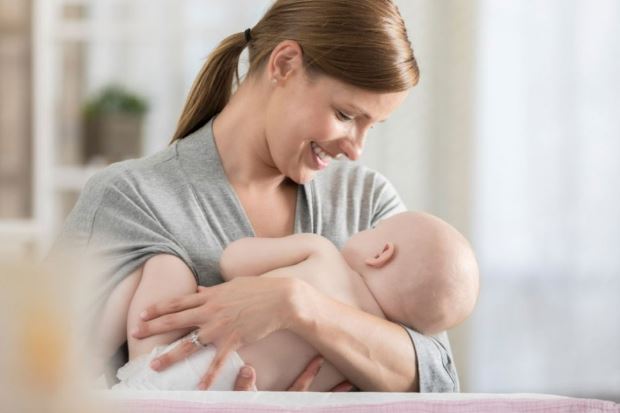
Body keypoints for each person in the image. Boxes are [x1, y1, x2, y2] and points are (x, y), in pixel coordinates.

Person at [54, 0, 460, 392]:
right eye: (345, 115)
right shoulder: (134, 199)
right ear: (284, 64)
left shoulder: (367, 202)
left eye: (373, 127)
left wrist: (297, 304)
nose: (355, 151)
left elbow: (437, 380)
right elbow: (31, 375)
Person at [112, 211, 479, 391]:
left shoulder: (322, 253)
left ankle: (121, 376)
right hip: (230, 396)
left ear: (381, 252)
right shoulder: (358, 364)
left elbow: (233, 260)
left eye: (373, 229)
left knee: (165, 263)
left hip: (163, 370)